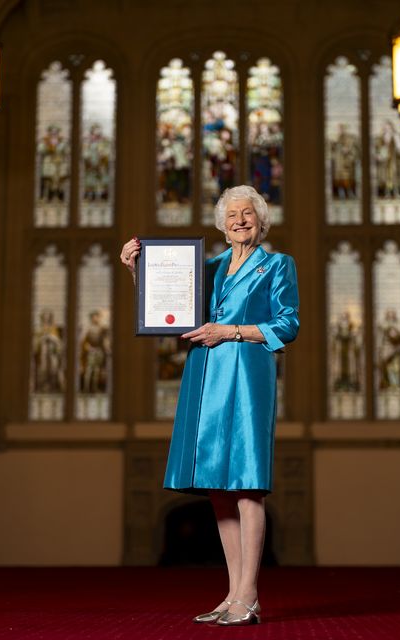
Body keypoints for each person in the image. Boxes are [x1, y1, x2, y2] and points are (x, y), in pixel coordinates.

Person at [119, 185, 299, 626]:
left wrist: (230, 331)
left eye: (248, 213)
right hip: (205, 373)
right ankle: (233, 593)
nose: (240, 220)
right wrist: (136, 268)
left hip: (246, 370)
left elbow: (288, 324)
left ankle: (250, 595)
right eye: (232, 214)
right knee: (219, 488)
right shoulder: (214, 266)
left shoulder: (277, 265)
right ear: (221, 224)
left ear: (261, 219)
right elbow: (170, 302)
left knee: (247, 483)